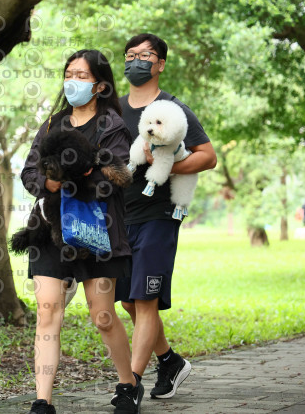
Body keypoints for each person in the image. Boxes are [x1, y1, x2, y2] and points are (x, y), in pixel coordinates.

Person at [21, 49, 143, 414]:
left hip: (97, 233)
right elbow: (30, 172)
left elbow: (115, 180)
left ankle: (128, 384)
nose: (72, 81)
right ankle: (42, 401)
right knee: (47, 311)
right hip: (49, 230)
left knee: (102, 316)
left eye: (81, 76)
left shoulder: (112, 127)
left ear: (100, 85)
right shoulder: (52, 125)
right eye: (69, 74)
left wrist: (75, 177)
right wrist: (50, 183)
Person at [113, 34, 217, 402]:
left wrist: (165, 165)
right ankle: (170, 361)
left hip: (158, 215)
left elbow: (208, 157)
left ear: (160, 64)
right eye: (130, 54)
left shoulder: (173, 109)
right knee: (128, 302)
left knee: (145, 301)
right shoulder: (112, 108)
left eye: (145, 55)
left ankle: (130, 386)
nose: (135, 61)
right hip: (119, 216)